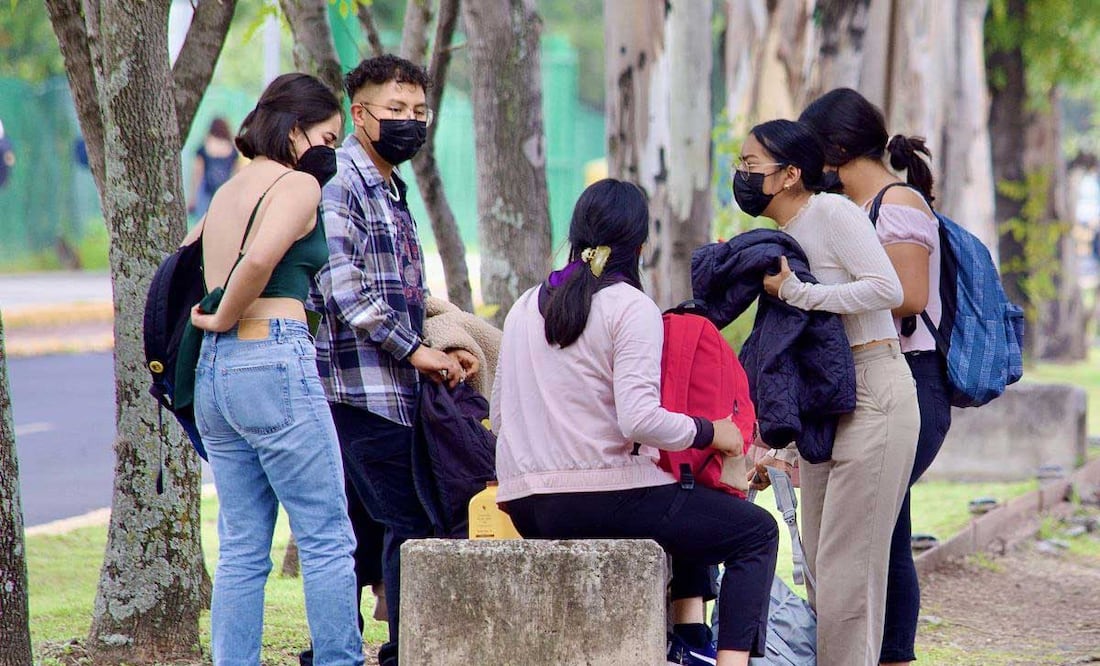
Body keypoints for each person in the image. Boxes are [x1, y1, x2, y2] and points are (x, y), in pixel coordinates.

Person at [491, 178, 780, 666]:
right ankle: (725, 658)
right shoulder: (629, 306)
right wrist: (713, 431)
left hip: (523, 502)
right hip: (604, 498)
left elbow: (498, 415)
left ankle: (688, 641)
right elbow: (640, 419)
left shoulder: (524, 306)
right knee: (755, 532)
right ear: (640, 246)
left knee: (685, 498)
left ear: (576, 234)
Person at [185, 72, 363, 666]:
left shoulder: (228, 191)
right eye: (328, 138)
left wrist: (216, 324)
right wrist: (225, 314)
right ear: (294, 131)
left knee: (240, 547)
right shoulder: (296, 187)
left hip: (217, 378)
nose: (330, 153)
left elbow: (188, 256)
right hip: (272, 354)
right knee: (326, 536)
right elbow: (260, 258)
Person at [738, 119, 920, 666]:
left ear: (791, 174)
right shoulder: (781, 236)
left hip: (874, 389)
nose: (742, 176)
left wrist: (798, 291)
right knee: (819, 562)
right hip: (823, 402)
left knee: (847, 572)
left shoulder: (833, 214)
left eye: (751, 166)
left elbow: (887, 289)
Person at [311, 54, 464, 666]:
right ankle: (404, 649)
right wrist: (418, 351)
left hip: (389, 385)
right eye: (395, 110)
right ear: (361, 113)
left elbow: (398, 285)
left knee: (355, 530)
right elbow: (343, 289)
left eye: (419, 111)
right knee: (411, 518)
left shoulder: (389, 186)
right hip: (357, 387)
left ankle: (340, 650)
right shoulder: (341, 181)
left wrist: (445, 326)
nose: (409, 122)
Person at [799, 88, 953, 666]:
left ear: (835, 149)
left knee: (872, 535)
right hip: (862, 376)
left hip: (909, 375)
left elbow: (908, 296)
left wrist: (813, 294)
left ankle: (889, 655)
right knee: (878, 532)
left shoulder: (899, 206)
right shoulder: (856, 211)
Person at [189, 116, 240, 219]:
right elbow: (236, 174)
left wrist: (193, 197)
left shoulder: (204, 147)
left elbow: (197, 174)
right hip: (224, 192)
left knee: (201, 224)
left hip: (205, 191)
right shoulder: (232, 150)